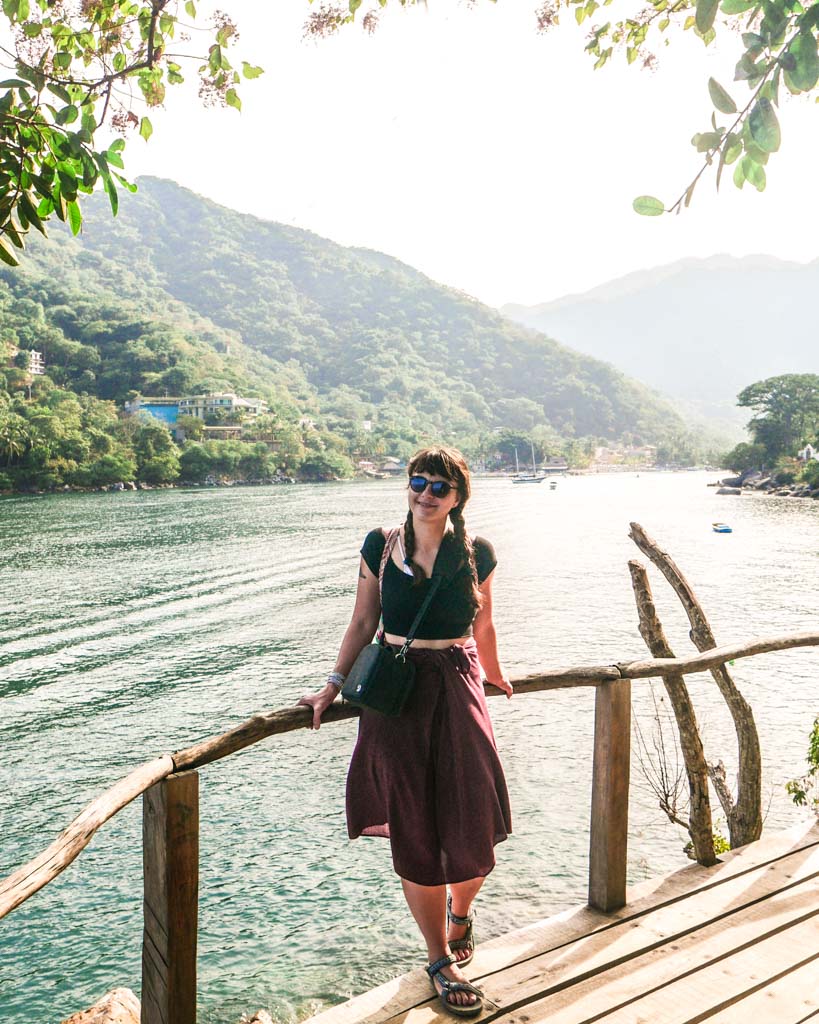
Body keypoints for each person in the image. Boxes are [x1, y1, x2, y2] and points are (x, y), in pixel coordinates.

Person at [298, 446, 512, 1017]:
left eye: (439, 487)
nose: (425, 493)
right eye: (418, 482)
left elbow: (484, 623)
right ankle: (439, 958)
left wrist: (495, 674)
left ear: (458, 497)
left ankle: (461, 910)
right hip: (396, 696)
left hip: (457, 684)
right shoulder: (380, 544)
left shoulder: (476, 553)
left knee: (475, 814)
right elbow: (363, 620)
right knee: (414, 825)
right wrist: (331, 685)